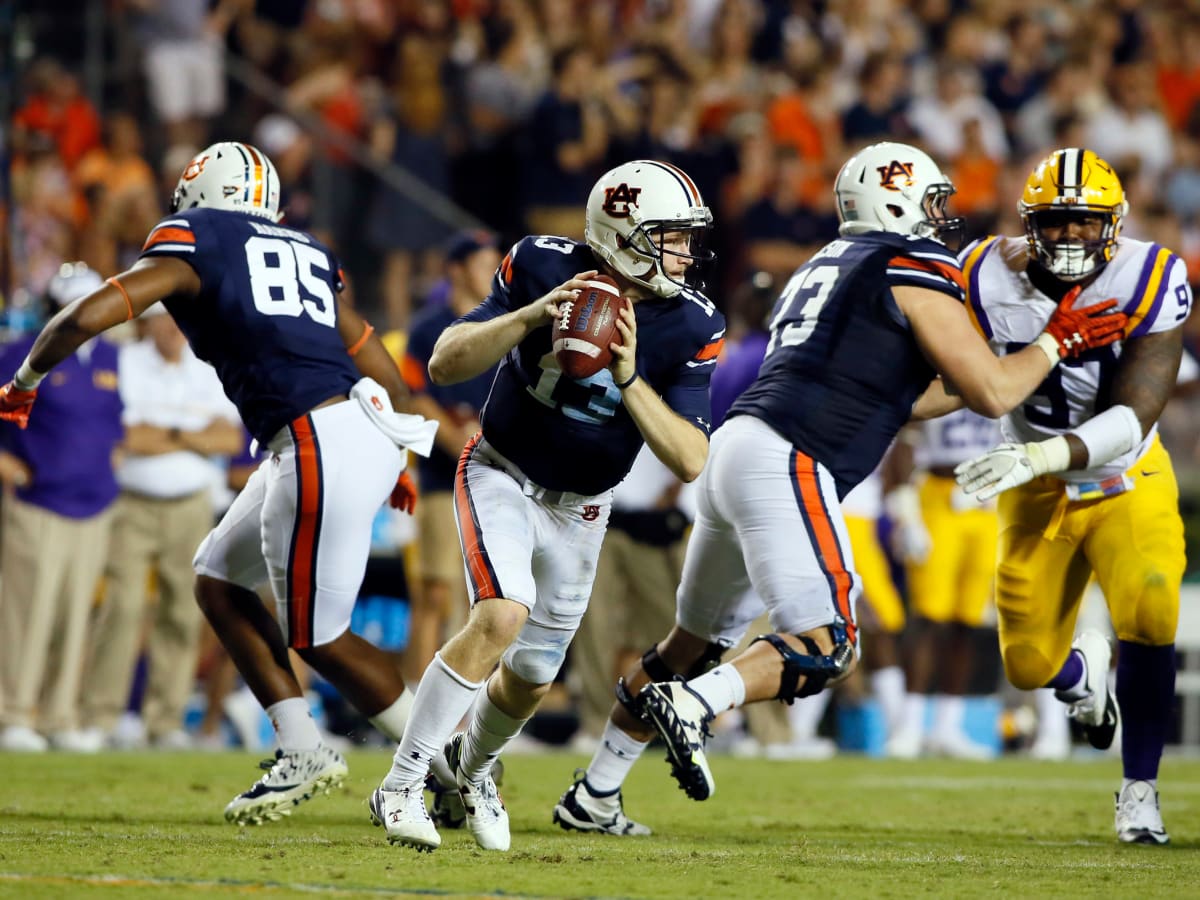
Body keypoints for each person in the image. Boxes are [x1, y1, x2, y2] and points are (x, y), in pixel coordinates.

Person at [551, 141, 1128, 834]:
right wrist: (1057, 340)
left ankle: (594, 794)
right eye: (932, 201)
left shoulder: (828, 262)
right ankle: (701, 705)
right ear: (898, 202)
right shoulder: (911, 263)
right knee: (828, 642)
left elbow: (900, 399)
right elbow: (994, 390)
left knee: (686, 647)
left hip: (741, 451)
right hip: (789, 459)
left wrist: (1009, 356)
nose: (943, 217)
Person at [0, 141, 437, 824]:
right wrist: (397, 454)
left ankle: (449, 767)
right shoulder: (307, 251)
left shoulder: (197, 236)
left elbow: (90, 314)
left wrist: (23, 381)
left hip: (316, 436)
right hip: (354, 426)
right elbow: (366, 349)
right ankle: (302, 748)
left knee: (318, 635)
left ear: (200, 196)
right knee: (217, 579)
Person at [368, 159, 726, 853]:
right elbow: (445, 362)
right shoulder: (538, 263)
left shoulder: (692, 322)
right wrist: (531, 315)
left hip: (585, 505)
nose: (685, 251)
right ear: (624, 236)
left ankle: (469, 771)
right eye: (671, 235)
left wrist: (628, 377)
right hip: (502, 469)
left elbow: (689, 456)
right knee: (500, 614)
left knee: (533, 674)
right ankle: (401, 783)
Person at [953, 148, 1190, 845]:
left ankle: (1140, 789)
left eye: (1086, 224)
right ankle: (1083, 677)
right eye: (1056, 221)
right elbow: (949, 371)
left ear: (1112, 225)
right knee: (1026, 664)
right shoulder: (982, 274)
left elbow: (1137, 413)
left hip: (1125, 480)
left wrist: (1038, 454)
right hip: (1034, 489)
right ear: (1030, 222)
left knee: (1152, 600)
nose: (1070, 236)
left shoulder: (1150, 274)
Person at [79, 304, 244, 750]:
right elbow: (125, 436)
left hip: (191, 503)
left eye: (177, 321)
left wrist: (164, 434)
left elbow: (230, 439)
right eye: (162, 320)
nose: (171, 330)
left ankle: (164, 719)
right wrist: (192, 435)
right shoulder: (126, 364)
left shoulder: (207, 365)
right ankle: (101, 715)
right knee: (123, 606)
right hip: (132, 502)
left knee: (182, 611)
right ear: (147, 324)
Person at [0, 263, 123, 753]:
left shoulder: (112, 357)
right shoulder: (21, 352)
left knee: (77, 616)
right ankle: (12, 713)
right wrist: (7, 466)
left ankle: (59, 715)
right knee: (25, 615)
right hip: (38, 503)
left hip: (96, 503)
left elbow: (116, 424)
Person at [399, 230, 503, 686]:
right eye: (483, 263)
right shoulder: (426, 327)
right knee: (434, 593)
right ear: (457, 270)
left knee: (484, 602)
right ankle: (413, 702)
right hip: (445, 479)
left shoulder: (504, 322)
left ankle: (467, 715)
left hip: (496, 480)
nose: (493, 271)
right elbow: (411, 397)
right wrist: (464, 443)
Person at [884, 410, 1004, 760]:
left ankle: (948, 727)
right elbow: (905, 441)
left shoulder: (1006, 367)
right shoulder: (940, 371)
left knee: (968, 622)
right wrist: (907, 513)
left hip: (986, 502)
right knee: (928, 619)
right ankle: (910, 725)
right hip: (938, 494)